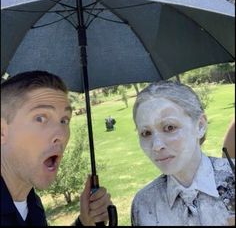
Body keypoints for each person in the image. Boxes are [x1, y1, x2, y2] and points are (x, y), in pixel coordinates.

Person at [1, 71, 113, 226]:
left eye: (64, 120)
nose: (61, 134)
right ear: (2, 131)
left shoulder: (31, 203)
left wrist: (85, 222)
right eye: (40, 118)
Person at [131, 81, 235, 226]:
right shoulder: (143, 205)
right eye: (146, 133)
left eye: (169, 127)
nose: (156, 146)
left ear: (200, 126)